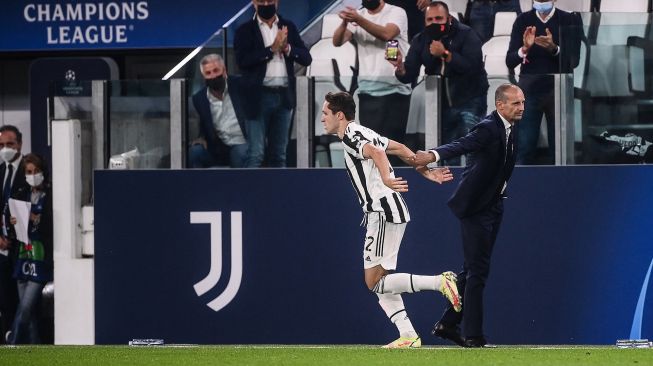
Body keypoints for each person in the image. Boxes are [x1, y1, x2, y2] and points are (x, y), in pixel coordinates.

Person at [321, 91, 461, 349]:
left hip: (382, 210)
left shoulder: (352, 135)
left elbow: (377, 152)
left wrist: (386, 177)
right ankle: (408, 335)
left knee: (373, 281)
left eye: (325, 113)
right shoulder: (364, 131)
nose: (322, 118)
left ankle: (441, 282)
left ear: (339, 115)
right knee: (380, 282)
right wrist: (423, 170)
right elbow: (398, 148)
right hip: (384, 211)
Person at [412, 83, 523, 347]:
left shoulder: (512, 127)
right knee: (478, 271)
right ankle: (473, 336)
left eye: (523, 102)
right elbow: (461, 145)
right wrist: (432, 155)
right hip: (475, 207)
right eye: (516, 103)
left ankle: (448, 323)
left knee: (473, 269)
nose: (522, 107)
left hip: (493, 204)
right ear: (500, 105)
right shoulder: (488, 128)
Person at [390, 1, 488, 165]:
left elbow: (472, 67)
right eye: (430, 20)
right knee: (448, 154)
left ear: (448, 18)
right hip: (440, 104)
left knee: (474, 150)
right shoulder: (421, 39)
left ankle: (477, 185)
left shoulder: (467, 34)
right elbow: (409, 74)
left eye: (438, 18)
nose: (434, 23)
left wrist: (445, 54)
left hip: (470, 99)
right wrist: (399, 67)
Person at [234, 0, 312, 168]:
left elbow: (306, 58)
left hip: (284, 97)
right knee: (256, 153)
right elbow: (242, 61)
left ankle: (280, 194)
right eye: (262, 1)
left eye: (270, 1)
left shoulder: (287, 26)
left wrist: (287, 49)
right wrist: (271, 50)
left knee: (279, 154)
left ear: (277, 2)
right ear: (254, 3)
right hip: (257, 97)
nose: (266, 4)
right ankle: (251, 193)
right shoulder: (245, 30)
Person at [332, 0, 412, 165]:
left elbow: (388, 34)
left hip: (395, 89)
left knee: (394, 149)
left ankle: (396, 187)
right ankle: (377, 189)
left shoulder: (396, 12)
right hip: (368, 91)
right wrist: (345, 22)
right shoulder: (359, 16)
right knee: (374, 149)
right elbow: (337, 41)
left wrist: (358, 19)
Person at [506, 0, 582, 164]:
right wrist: (524, 49)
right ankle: (523, 185)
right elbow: (510, 61)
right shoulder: (522, 21)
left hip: (558, 91)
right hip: (530, 91)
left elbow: (574, 60)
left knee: (560, 150)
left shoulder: (569, 20)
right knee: (524, 147)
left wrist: (554, 48)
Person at [7, 153, 52, 344]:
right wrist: (12, 224)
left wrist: (36, 219)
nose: (33, 175)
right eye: (29, 172)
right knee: (29, 314)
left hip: (40, 258)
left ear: (43, 172)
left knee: (25, 307)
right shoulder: (20, 195)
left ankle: (12, 343)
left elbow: (51, 226)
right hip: (22, 256)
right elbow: (11, 229)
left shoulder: (50, 195)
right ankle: (36, 353)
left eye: (36, 171)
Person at [188, 54, 249, 168]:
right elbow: (204, 123)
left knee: (240, 153)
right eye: (208, 73)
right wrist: (201, 137)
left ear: (224, 71)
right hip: (218, 148)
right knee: (195, 152)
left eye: (216, 70)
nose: (213, 76)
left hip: (242, 143)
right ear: (203, 76)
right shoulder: (199, 98)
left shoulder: (240, 85)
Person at [0, 125, 30, 343]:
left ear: (19, 143)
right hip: (2, 246)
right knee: (5, 296)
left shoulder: (29, 170)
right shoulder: (1, 170)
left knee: (24, 299)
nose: (5, 149)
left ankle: (23, 340)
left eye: (9, 144)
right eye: (1, 145)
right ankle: (8, 336)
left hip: (21, 245)